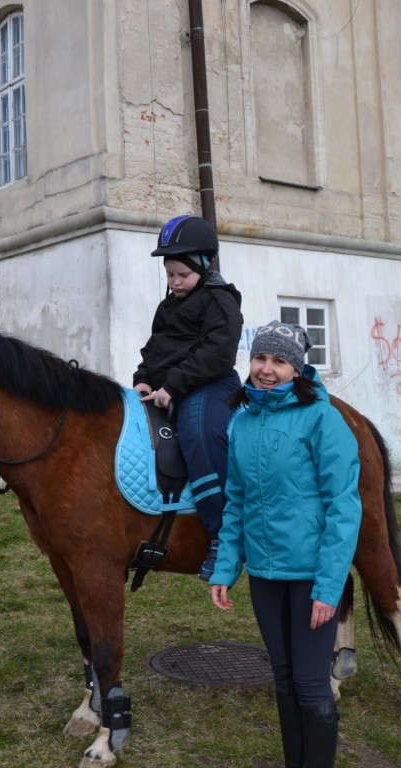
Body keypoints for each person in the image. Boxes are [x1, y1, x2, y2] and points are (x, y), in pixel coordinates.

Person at [209, 321, 362, 768]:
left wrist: (328, 587)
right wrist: (224, 568)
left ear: (297, 368)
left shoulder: (322, 417)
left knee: (312, 683)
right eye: (260, 358)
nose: (267, 370)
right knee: (283, 678)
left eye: (279, 361)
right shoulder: (242, 421)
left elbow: (343, 507)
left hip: (311, 575)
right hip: (264, 574)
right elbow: (235, 501)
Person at [133, 214, 244, 579]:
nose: (175, 282)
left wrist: (173, 385)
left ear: (203, 264)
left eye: (182, 274)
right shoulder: (168, 306)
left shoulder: (220, 299)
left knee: (200, 436)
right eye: (170, 275)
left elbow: (218, 352)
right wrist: (144, 379)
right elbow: (155, 348)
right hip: (170, 387)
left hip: (209, 385)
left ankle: (223, 536)